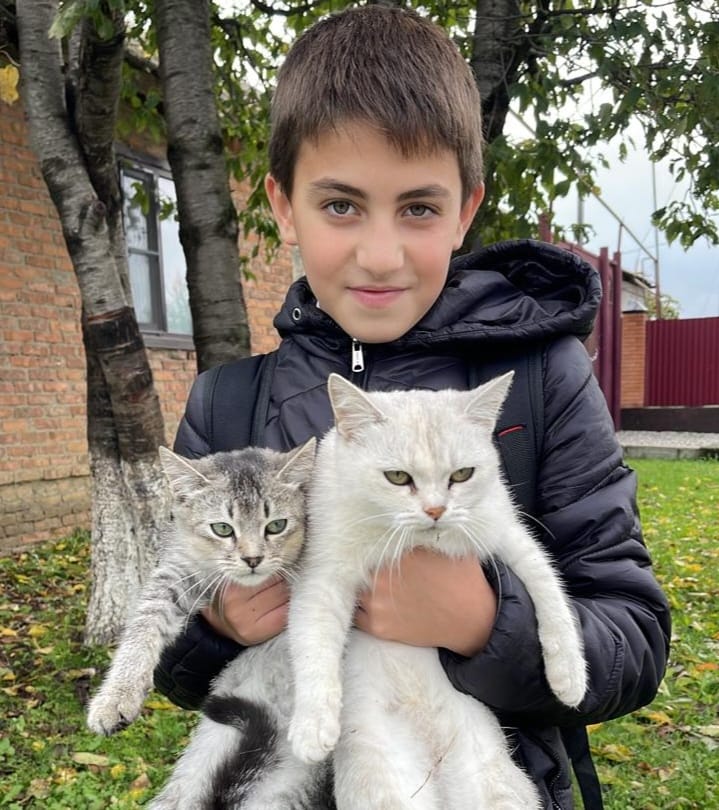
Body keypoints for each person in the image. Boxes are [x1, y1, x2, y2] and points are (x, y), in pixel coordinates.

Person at [154, 6, 670, 808]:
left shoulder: (540, 380)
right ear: (283, 204)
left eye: (419, 208)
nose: (380, 254)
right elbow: (168, 648)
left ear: (465, 209)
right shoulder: (228, 403)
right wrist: (218, 627)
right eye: (340, 205)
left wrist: (483, 624)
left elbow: (631, 642)